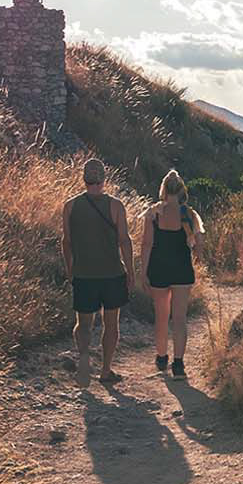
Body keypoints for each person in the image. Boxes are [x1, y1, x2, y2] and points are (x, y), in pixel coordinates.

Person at [60, 158, 134, 384]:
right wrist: (131, 272)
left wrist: (70, 269)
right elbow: (124, 241)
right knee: (111, 325)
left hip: (83, 274)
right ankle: (105, 370)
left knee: (83, 324)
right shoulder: (116, 206)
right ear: (104, 179)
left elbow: (66, 242)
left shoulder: (70, 206)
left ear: (84, 179)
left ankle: (84, 356)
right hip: (112, 274)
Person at [139, 169, 204, 378]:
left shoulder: (153, 213)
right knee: (179, 319)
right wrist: (196, 258)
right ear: (182, 190)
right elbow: (199, 243)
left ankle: (161, 357)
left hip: (158, 269)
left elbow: (146, 244)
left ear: (163, 190)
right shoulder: (190, 214)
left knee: (161, 317)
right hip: (182, 270)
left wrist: (143, 272)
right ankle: (178, 364)